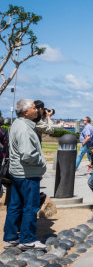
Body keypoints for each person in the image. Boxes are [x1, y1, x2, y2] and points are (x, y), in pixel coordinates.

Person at [3, 99, 47, 250]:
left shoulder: (17, 124)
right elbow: (27, 154)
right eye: (34, 108)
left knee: (15, 204)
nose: (37, 110)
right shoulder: (24, 128)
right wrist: (41, 162)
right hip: (27, 173)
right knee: (30, 206)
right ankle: (27, 239)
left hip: (18, 172)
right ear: (26, 111)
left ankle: (10, 236)